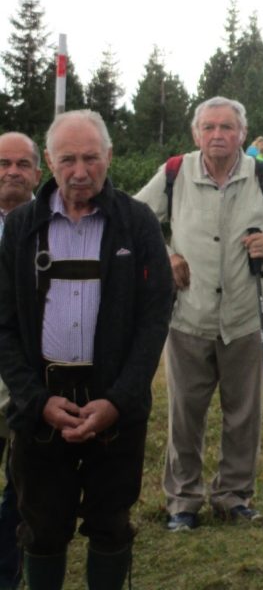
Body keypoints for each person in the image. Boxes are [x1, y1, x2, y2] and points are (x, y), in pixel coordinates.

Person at [0, 111, 173, 589]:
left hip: (115, 409)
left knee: (111, 522)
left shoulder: (136, 223)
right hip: (39, 410)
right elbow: (4, 326)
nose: (80, 171)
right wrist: (37, 402)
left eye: (91, 158)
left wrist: (119, 400)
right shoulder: (20, 228)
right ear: (49, 162)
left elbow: (155, 316)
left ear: (109, 157)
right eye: (68, 159)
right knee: (41, 529)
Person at [136, 96, 263, 532]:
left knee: (244, 416)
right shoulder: (176, 173)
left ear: (242, 135)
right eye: (209, 127)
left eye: (227, 127)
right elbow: (136, 222)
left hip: (247, 318)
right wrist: (165, 256)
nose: (217, 135)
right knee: (185, 415)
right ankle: (183, 501)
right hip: (188, 318)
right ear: (196, 134)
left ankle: (234, 496)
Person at [0, 132, 42, 589]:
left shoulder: (51, 225)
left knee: (22, 487)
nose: (11, 171)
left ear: (37, 172)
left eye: (21, 164)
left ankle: (8, 573)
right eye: (3, 163)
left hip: (28, 378)